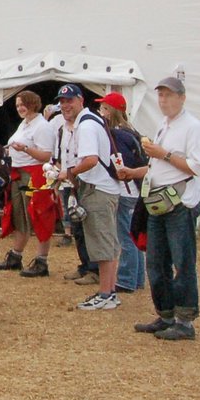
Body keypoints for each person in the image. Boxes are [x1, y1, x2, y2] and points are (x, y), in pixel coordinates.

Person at [131, 76, 200, 341]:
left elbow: (198, 167)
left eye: (169, 95)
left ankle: (185, 320)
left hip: (179, 203)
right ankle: (165, 314)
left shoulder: (193, 127)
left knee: (182, 262)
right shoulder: (164, 124)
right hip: (158, 201)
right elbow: (157, 165)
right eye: (161, 95)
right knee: (156, 262)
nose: (163, 100)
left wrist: (163, 154)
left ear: (182, 98)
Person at [54, 84, 123, 310]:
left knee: (102, 243)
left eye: (69, 101)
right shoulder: (90, 122)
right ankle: (110, 292)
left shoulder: (86, 126)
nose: (65, 105)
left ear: (80, 100)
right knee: (109, 242)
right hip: (104, 188)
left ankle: (105, 294)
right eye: (62, 102)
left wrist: (68, 172)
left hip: (97, 189)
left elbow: (91, 159)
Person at [0, 90, 58, 278]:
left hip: (35, 174)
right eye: (17, 105)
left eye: (23, 104)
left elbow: (46, 155)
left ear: (33, 104)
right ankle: (16, 255)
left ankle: (42, 260)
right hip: (19, 173)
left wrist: (25, 149)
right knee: (19, 215)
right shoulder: (25, 124)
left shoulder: (42, 126)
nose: (20, 108)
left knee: (39, 216)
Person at [97, 92, 147, 294]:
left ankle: (126, 279)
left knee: (125, 237)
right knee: (132, 235)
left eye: (103, 108)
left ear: (109, 111)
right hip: (136, 189)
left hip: (126, 190)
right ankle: (137, 278)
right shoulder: (132, 132)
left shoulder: (116, 135)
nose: (101, 112)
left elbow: (121, 165)